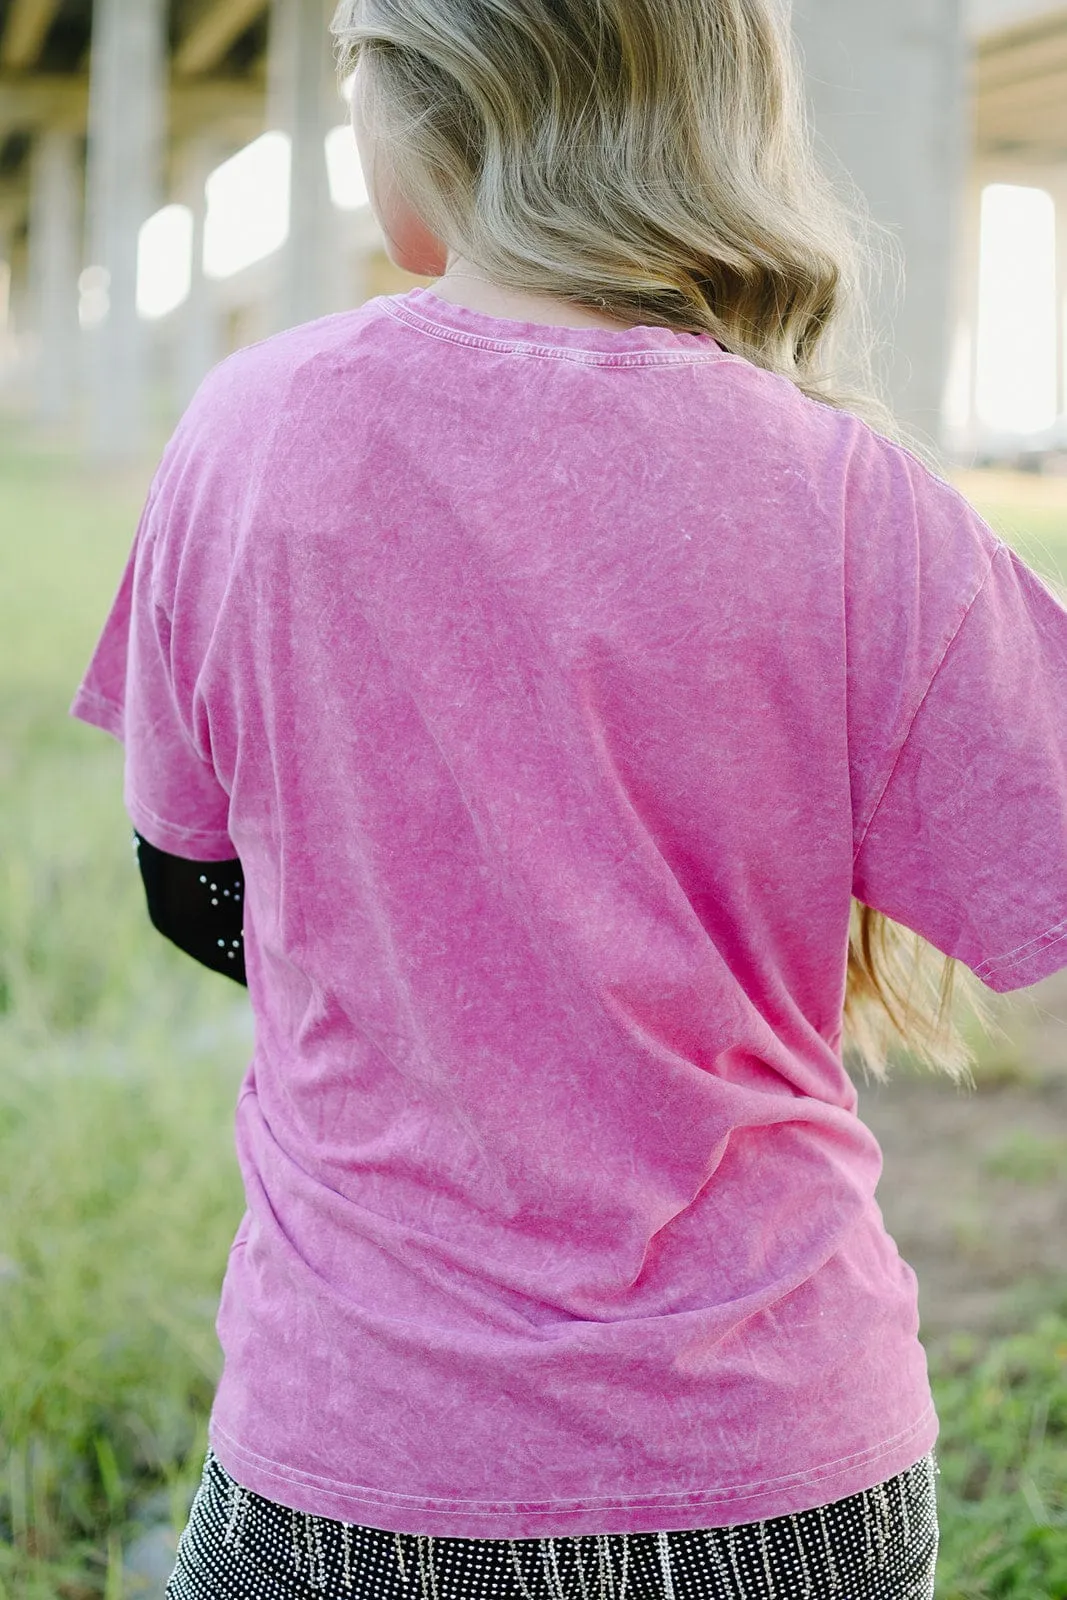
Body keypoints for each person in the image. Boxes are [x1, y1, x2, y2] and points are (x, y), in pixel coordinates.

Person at [70, 1, 1067, 1595]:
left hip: (359, 1462)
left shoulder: (248, 433)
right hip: (785, 1475)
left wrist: (437, 978)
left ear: (419, 108)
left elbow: (190, 891)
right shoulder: (843, 493)